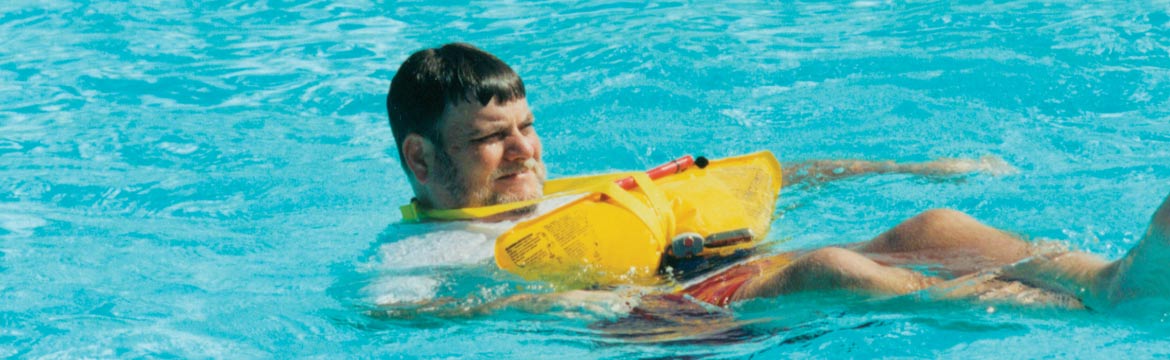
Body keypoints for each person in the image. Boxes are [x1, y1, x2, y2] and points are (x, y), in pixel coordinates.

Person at [383, 42, 1170, 313]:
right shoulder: (418, 261)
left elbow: (771, 178)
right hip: (657, 321)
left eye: (527, 127)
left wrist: (903, 166)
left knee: (934, 227)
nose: (524, 150)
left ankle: (1108, 279)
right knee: (832, 270)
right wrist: (555, 297)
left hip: (717, 272)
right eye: (492, 139)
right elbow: (402, 324)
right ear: (422, 158)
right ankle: (1054, 313)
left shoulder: (567, 193)